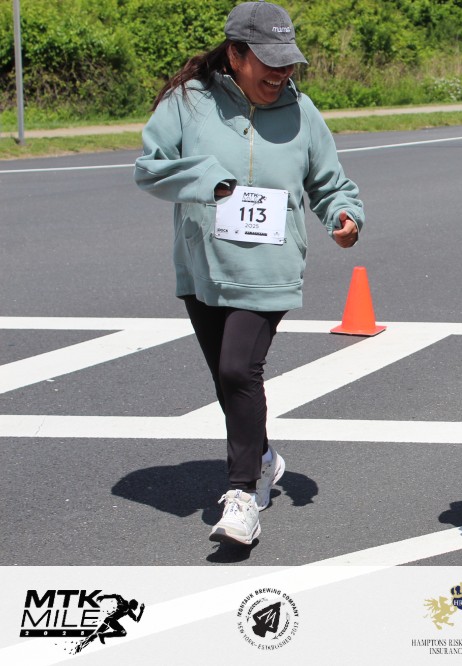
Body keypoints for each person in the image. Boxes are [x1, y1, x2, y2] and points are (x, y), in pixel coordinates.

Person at [133, 1, 365, 546]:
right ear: (236, 55)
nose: (281, 73)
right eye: (269, 61)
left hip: (270, 266)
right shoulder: (189, 102)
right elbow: (150, 168)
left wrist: (344, 215)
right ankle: (260, 455)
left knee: (239, 371)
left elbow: (329, 182)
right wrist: (209, 181)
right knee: (228, 380)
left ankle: (240, 497)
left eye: (288, 62)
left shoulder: (302, 111)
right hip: (204, 266)